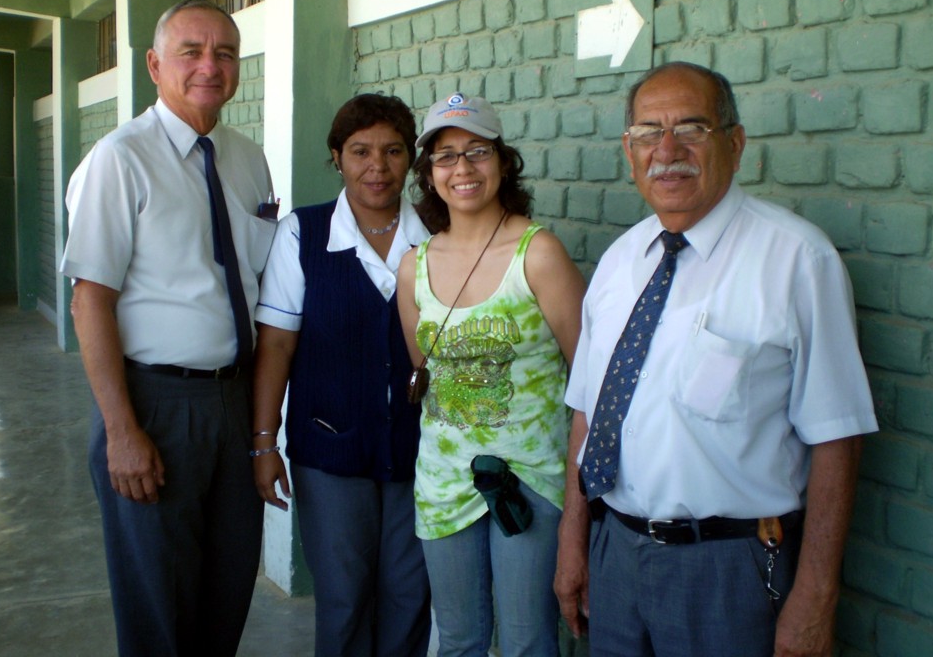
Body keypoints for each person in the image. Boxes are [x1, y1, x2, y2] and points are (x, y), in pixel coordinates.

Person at [555, 62, 879, 657]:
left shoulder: (797, 260)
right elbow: (587, 414)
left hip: (731, 570)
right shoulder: (620, 261)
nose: (667, 150)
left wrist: (816, 596)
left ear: (735, 142)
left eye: (692, 128)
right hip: (615, 552)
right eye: (648, 132)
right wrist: (573, 543)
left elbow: (839, 437)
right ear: (629, 151)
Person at [61, 0, 276, 656]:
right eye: (191, 52)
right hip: (154, 404)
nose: (210, 66)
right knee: (158, 604)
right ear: (155, 66)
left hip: (234, 401)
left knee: (226, 590)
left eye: (225, 53)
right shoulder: (120, 159)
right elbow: (90, 300)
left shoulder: (247, 158)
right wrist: (121, 431)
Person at [397, 93, 586, 657]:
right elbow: (422, 368)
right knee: (459, 641)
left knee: (528, 643)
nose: (463, 168)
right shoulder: (414, 266)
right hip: (444, 481)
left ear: (503, 162)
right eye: (445, 156)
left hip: (529, 478)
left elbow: (591, 379)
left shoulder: (539, 253)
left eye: (477, 151)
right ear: (430, 173)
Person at [252, 93, 432, 657]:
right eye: (360, 151)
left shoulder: (438, 236)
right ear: (337, 157)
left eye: (393, 151)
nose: (377, 166)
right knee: (344, 600)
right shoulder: (302, 235)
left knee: (409, 596)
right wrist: (264, 442)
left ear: (410, 158)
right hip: (330, 450)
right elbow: (277, 344)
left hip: (423, 451)